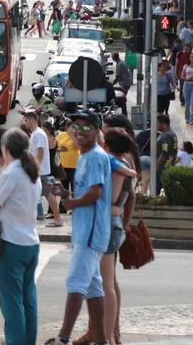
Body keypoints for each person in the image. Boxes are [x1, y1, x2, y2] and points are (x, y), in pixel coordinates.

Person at [44, 111, 112, 345]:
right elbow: (87, 192)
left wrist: (72, 202)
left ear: (97, 131)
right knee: (94, 289)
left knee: (75, 284)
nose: (80, 131)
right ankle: (101, 341)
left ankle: (63, 338)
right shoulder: (83, 156)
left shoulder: (95, 156)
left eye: (87, 127)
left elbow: (96, 193)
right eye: (77, 126)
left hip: (91, 232)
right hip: (86, 231)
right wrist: (66, 194)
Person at [73, 130, 139, 345]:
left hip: (110, 225)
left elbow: (110, 201)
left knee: (105, 285)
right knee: (103, 283)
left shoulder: (115, 166)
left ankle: (109, 337)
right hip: (111, 224)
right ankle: (106, 335)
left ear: (107, 146)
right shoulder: (119, 163)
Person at [0, 128, 41, 345]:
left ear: (5, 149)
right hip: (31, 242)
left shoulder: (11, 173)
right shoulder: (32, 172)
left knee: (11, 301)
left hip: (12, 243)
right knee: (29, 299)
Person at [20, 107, 63, 227]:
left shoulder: (38, 134)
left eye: (26, 120)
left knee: (48, 194)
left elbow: (40, 153)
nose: (25, 123)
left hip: (41, 171)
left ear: (32, 120)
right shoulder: (35, 133)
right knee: (36, 194)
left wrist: (35, 168)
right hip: (39, 170)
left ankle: (58, 219)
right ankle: (33, 217)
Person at [153, 114, 177, 196]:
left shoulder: (166, 135)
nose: (156, 125)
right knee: (156, 188)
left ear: (163, 124)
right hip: (165, 166)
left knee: (168, 190)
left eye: (157, 123)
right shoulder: (170, 134)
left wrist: (157, 164)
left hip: (164, 166)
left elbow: (165, 152)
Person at [56, 119, 80, 194]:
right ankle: (63, 205)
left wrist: (72, 135)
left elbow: (77, 147)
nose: (74, 129)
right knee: (64, 188)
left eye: (75, 127)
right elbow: (53, 147)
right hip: (63, 165)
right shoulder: (61, 135)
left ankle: (74, 204)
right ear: (67, 127)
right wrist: (60, 149)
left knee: (75, 188)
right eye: (72, 127)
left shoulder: (78, 136)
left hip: (74, 166)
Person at [180, 52, 193, 124]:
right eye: (191, 57)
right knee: (187, 103)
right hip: (186, 85)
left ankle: (192, 119)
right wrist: (187, 78)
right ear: (189, 58)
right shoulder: (185, 66)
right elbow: (182, 77)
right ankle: (187, 118)